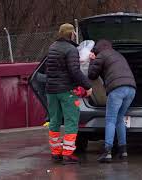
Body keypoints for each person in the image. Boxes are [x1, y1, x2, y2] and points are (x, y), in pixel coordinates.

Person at [46, 23, 93, 164]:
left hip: (51, 90)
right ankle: (68, 153)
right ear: (71, 34)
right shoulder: (71, 49)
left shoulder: (52, 47)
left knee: (54, 121)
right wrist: (87, 86)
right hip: (66, 91)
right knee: (71, 121)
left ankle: (55, 153)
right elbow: (75, 71)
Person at [88, 39, 136, 163]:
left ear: (98, 48)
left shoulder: (102, 55)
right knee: (120, 118)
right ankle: (123, 150)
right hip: (131, 89)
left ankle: (107, 151)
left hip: (117, 90)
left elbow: (92, 75)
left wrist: (92, 61)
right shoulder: (118, 54)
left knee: (110, 119)